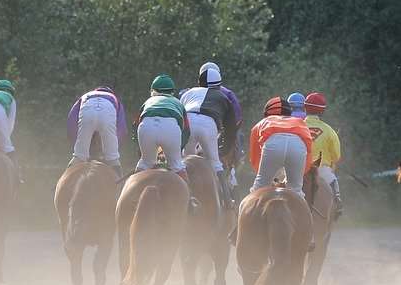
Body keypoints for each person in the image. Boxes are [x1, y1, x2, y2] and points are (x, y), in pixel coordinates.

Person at [180, 62, 239, 209]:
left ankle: (182, 196)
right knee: (216, 164)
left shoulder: (188, 93)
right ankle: (227, 201)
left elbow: (178, 114)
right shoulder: (225, 97)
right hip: (209, 126)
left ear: (198, 82)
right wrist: (224, 150)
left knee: (183, 162)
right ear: (219, 85)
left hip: (188, 123)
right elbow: (232, 129)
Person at [249, 96, 314, 198]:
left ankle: (242, 214)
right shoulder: (301, 123)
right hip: (298, 145)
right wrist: (300, 174)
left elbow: (255, 158)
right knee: (296, 191)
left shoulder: (262, 123)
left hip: (273, 144)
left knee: (259, 187)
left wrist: (266, 178)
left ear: (267, 114)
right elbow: (309, 150)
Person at [135, 74, 190, 180]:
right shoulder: (178, 103)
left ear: (153, 90)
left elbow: (135, 127)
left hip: (146, 127)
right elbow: (186, 131)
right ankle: (190, 195)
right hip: (171, 128)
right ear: (172, 91)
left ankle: (129, 194)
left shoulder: (147, 102)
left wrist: (142, 151)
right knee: (177, 166)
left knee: (145, 163)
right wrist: (178, 150)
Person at [67, 85, 127, 180]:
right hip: (107, 115)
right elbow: (121, 128)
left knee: (78, 157)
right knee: (113, 159)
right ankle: (121, 188)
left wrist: (77, 145)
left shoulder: (86, 96)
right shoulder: (115, 99)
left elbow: (71, 123)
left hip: (87, 113)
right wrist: (113, 149)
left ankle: (61, 185)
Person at [303, 92, 344, 219]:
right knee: (332, 180)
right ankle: (338, 203)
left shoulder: (296, 126)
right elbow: (336, 157)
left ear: (305, 108)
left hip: (299, 168)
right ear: (322, 112)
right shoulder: (329, 131)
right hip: (320, 169)